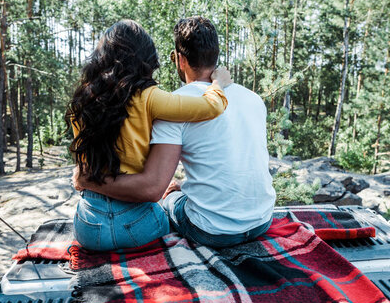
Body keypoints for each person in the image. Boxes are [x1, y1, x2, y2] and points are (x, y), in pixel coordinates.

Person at [74, 16, 275, 248]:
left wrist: (86, 179)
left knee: (168, 199)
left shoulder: (175, 103)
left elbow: (152, 187)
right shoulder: (254, 99)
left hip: (212, 231)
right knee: (171, 196)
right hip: (261, 220)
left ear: (180, 60)